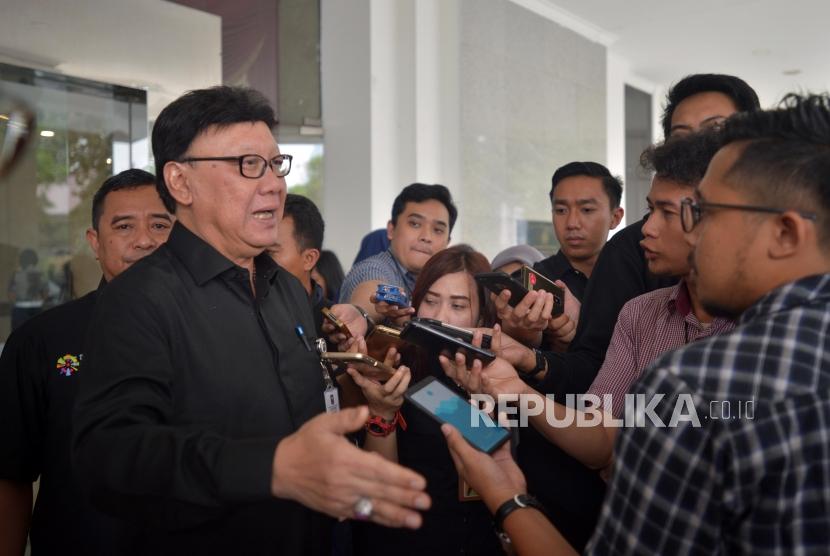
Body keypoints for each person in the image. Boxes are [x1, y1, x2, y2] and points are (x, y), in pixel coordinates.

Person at [446, 93, 830, 555]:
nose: (684, 231)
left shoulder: (697, 384)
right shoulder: (644, 315)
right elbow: (602, 433)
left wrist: (506, 497)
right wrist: (516, 389)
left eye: (702, 213)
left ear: (786, 233)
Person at [71, 86, 430, 555]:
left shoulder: (286, 290)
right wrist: (273, 467)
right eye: (247, 164)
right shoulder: (138, 301)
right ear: (181, 182)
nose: (274, 184)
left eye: (275, 164)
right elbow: (111, 457)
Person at [531, 73, 761, 399]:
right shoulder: (632, 269)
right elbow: (601, 410)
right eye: (682, 136)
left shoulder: (783, 284)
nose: (698, 147)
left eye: (715, 131)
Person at [0, 169, 173, 555]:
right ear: (95, 243)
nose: (145, 240)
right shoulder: (42, 341)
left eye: (160, 224)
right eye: (124, 226)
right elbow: (11, 474)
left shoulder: (215, 333)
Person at [348, 245, 504, 556]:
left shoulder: (501, 374)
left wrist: (482, 401)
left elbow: (500, 457)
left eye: (458, 306)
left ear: (482, 314)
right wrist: (383, 413)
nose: (440, 316)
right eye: (431, 301)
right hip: (408, 538)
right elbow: (376, 490)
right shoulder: (399, 362)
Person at [339, 183, 457, 323]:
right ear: (391, 230)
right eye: (415, 224)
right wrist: (361, 316)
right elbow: (369, 298)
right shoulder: (374, 268)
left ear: (447, 242)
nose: (426, 237)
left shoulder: (444, 281)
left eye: (437, 230)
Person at [534, 161, 624, 300]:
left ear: (615, 217)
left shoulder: (635, 278)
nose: (572, 223)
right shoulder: (535, 283)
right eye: (561, 210)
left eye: (587, 210)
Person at [268, 193, 329, 332]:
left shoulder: (334, 329)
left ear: (309, 259)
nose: (257, 261)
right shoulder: (249, 315)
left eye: (269, 252)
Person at [7, 248, 48, 330]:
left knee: (19, 336)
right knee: (37, 334)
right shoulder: (40, 275)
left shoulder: (16, 274)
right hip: (37, 307)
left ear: (21, 260)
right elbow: (45, 293)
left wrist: (16, 302)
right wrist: (40, 301)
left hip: (20, 308)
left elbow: (11, 294)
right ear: (35, 260)